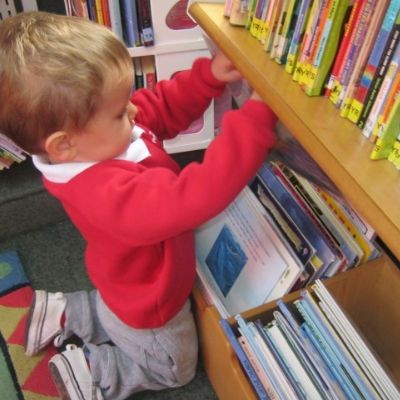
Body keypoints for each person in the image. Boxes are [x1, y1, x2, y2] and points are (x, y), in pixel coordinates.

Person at [0, 11, 277, 400]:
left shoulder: (99, 140)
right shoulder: (106, 195)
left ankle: (70, 313)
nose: (133, 111)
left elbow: (159, 107)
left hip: (123, 282)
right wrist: (254, 122)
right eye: (119, 112)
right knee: (174, 369)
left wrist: (207, 78)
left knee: (117, 308)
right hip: (153, 307)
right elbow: (195, 196)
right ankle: (93, 369)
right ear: (63, 144)